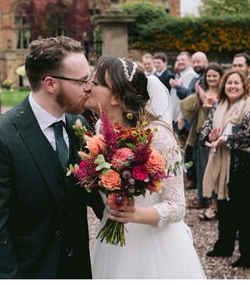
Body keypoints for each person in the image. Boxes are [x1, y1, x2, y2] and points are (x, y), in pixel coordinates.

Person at [0, 36, 101, 278]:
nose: (89, 87)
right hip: (27, 271)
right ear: (50, 84)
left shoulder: (78, 124)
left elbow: (91, 195)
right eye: (83, 80)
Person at [86, 56, 206, 278]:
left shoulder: (157, 134)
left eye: (96, 82)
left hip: (154, 244)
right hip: (113, 240)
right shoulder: (102, 127)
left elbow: (177, 206)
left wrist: (134, 213)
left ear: (115, 97)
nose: (88, 86)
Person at [198, 68, 250, 268]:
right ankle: (224, 246)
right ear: (223, 86)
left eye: (236, 83)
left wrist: (225, 139)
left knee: (246, 213)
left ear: (244, 85)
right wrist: (209, 137)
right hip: (220, 164)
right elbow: (205, 130)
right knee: (225, 209)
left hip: (244, 167)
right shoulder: (218, 104)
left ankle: (249, 256)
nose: (232, 86)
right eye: (229, 83)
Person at [181, 63, 224, 221]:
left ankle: (216, 205)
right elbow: (186, 107)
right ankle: (205, 200)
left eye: (215, 75)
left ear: (220, 77)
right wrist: (199, 96)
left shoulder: (224, 91)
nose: (211, 78)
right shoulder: (201, 90)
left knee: (216, 172)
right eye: (209, 76)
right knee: (204, 170)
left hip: (218, 137)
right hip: (201, 135)